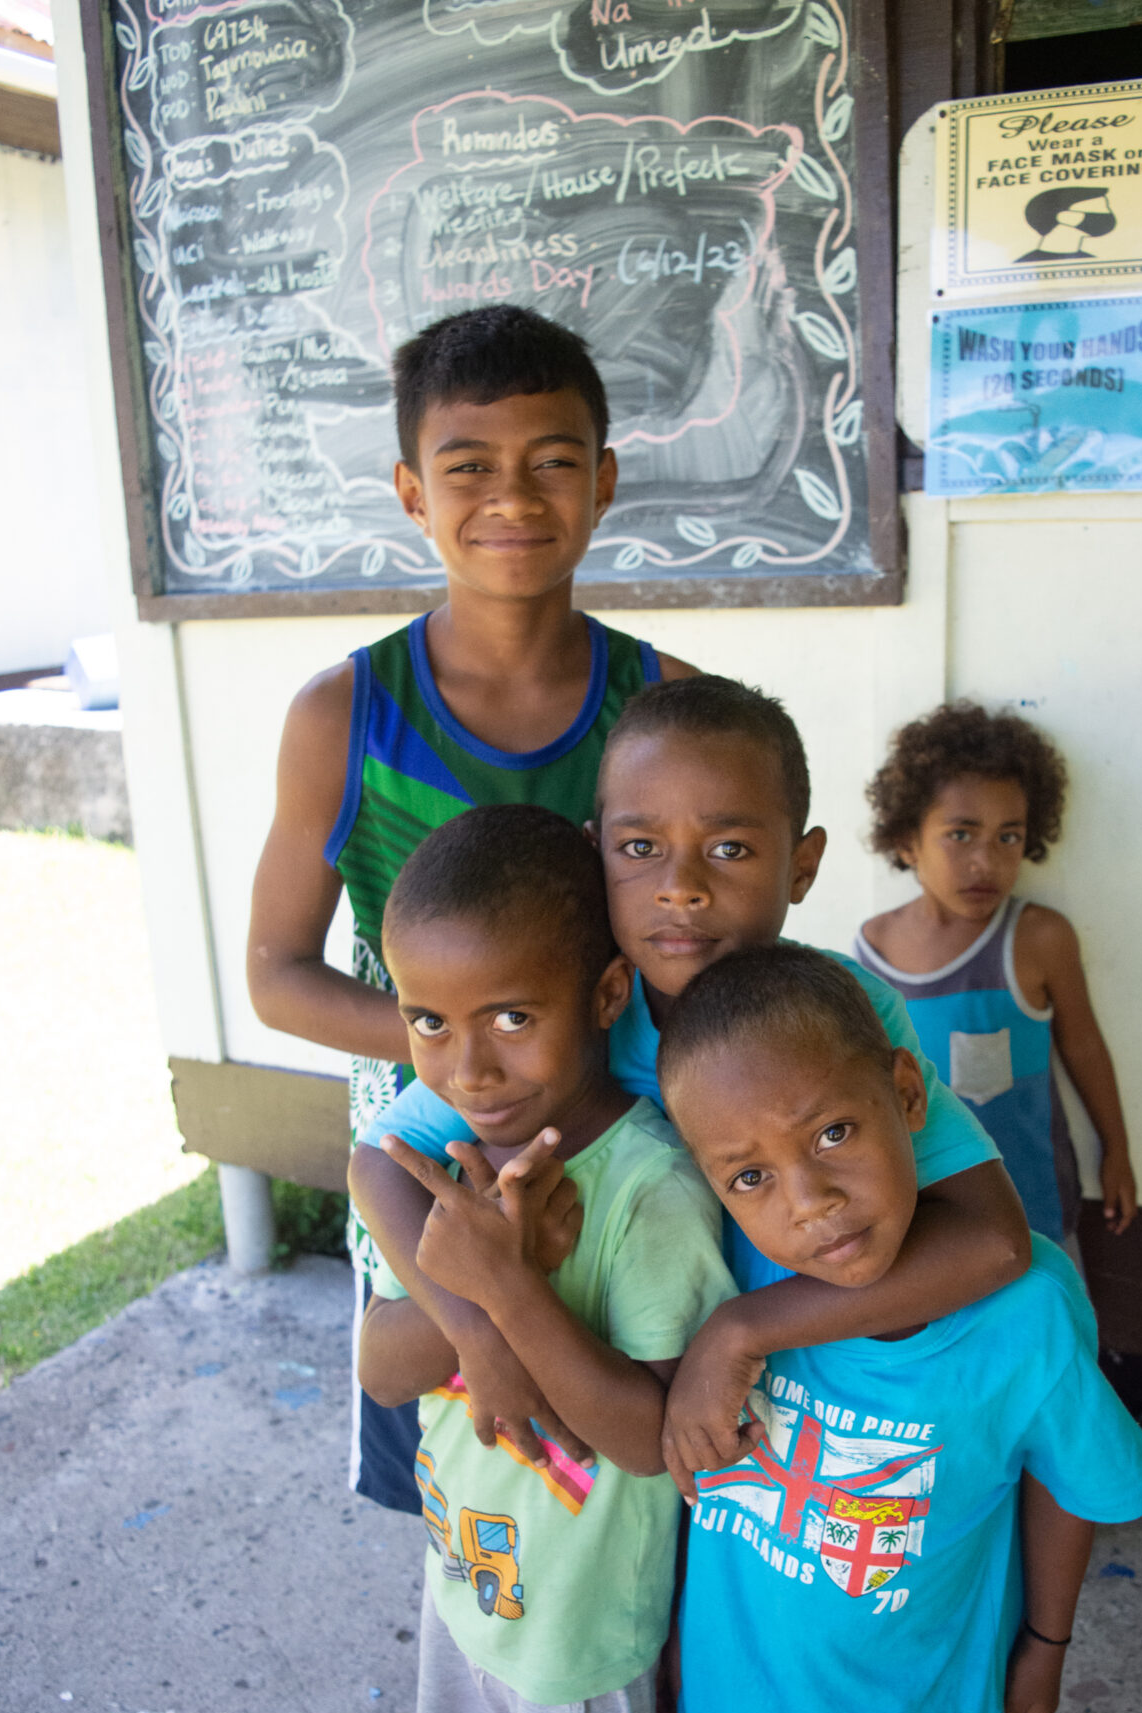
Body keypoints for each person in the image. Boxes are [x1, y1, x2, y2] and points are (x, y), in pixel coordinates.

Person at [353, 675, 1032, 1713]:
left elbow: (992, 1242)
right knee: (635, 1699)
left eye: (729, 849)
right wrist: (480, 1320)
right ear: (593, 844)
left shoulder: (823, 1008)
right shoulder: (561, 1010)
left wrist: (743, 1330)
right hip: (624, 1476)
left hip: (797, 1447)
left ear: (800, 863)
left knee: (776, 1693)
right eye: (637, 847)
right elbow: (385, 1156)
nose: (680, 891)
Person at [657, 946, 1142, 1713]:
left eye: (833, 1132)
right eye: (749, 1175)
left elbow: (1072, 1478)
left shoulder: (1024, 1303)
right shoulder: (729, 1282)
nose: (810, 1203)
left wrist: (1046, 1639)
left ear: (904, 1092)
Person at [245, 303, 698, 1514]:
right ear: (409, 489)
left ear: (603, 482)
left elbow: (707, 930)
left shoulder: (665, 710)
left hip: (632, 1128)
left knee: (634, 1451)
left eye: (554, 461)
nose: (514, 496)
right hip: (424, 1153)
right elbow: (277, 971)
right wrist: (454, 1043)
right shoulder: (343, 716)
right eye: (469, 468)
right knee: (468, 1462)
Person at [356, 804, 737, 1713]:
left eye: (513, 1016)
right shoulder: (443, 1156)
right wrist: (477, 1327)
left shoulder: (651, 1195)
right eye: (429, 1021)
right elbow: (378, 1360)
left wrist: (515, 1291)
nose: (468, 1066)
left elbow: (647, 1436)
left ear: (609, 995)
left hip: (583, 1638)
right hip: (472, 1577)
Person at [857, 701, 1136, 1259]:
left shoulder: (1039, 939)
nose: (986, 861)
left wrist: (1117, 1149)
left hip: (1035, 1208)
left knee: (1046, 1332)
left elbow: (1082, 1044)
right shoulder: (874, 948)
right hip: (926, 1212)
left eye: (1008, 837)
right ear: (908, 840)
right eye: (960, 834)